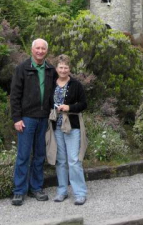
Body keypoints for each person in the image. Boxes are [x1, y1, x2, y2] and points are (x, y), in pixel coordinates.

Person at [10, 38, 56, 206]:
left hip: (44, 118)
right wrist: (16, 118)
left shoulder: (51, 69)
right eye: (37, 48)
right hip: (27, 119)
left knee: (39, 155)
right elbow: (15, 95)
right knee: (23, 155)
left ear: (46, 51)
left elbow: (60, 88)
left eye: (43, 48)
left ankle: (36, 188)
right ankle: (19, 191)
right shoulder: (22, 69)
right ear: (32, 50)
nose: (40, 51)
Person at [51, 54, 87, 205]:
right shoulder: (51, 83)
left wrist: (69, 107)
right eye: (61, 67)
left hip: (72, 126)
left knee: (73, 160)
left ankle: (80, 193)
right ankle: (62, 191)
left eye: (66, 67)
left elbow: (84, 104)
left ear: (69, 69)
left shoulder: (76, 85)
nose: (63, 70)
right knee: (60, 161)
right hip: (56, 126)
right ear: (56, 68)